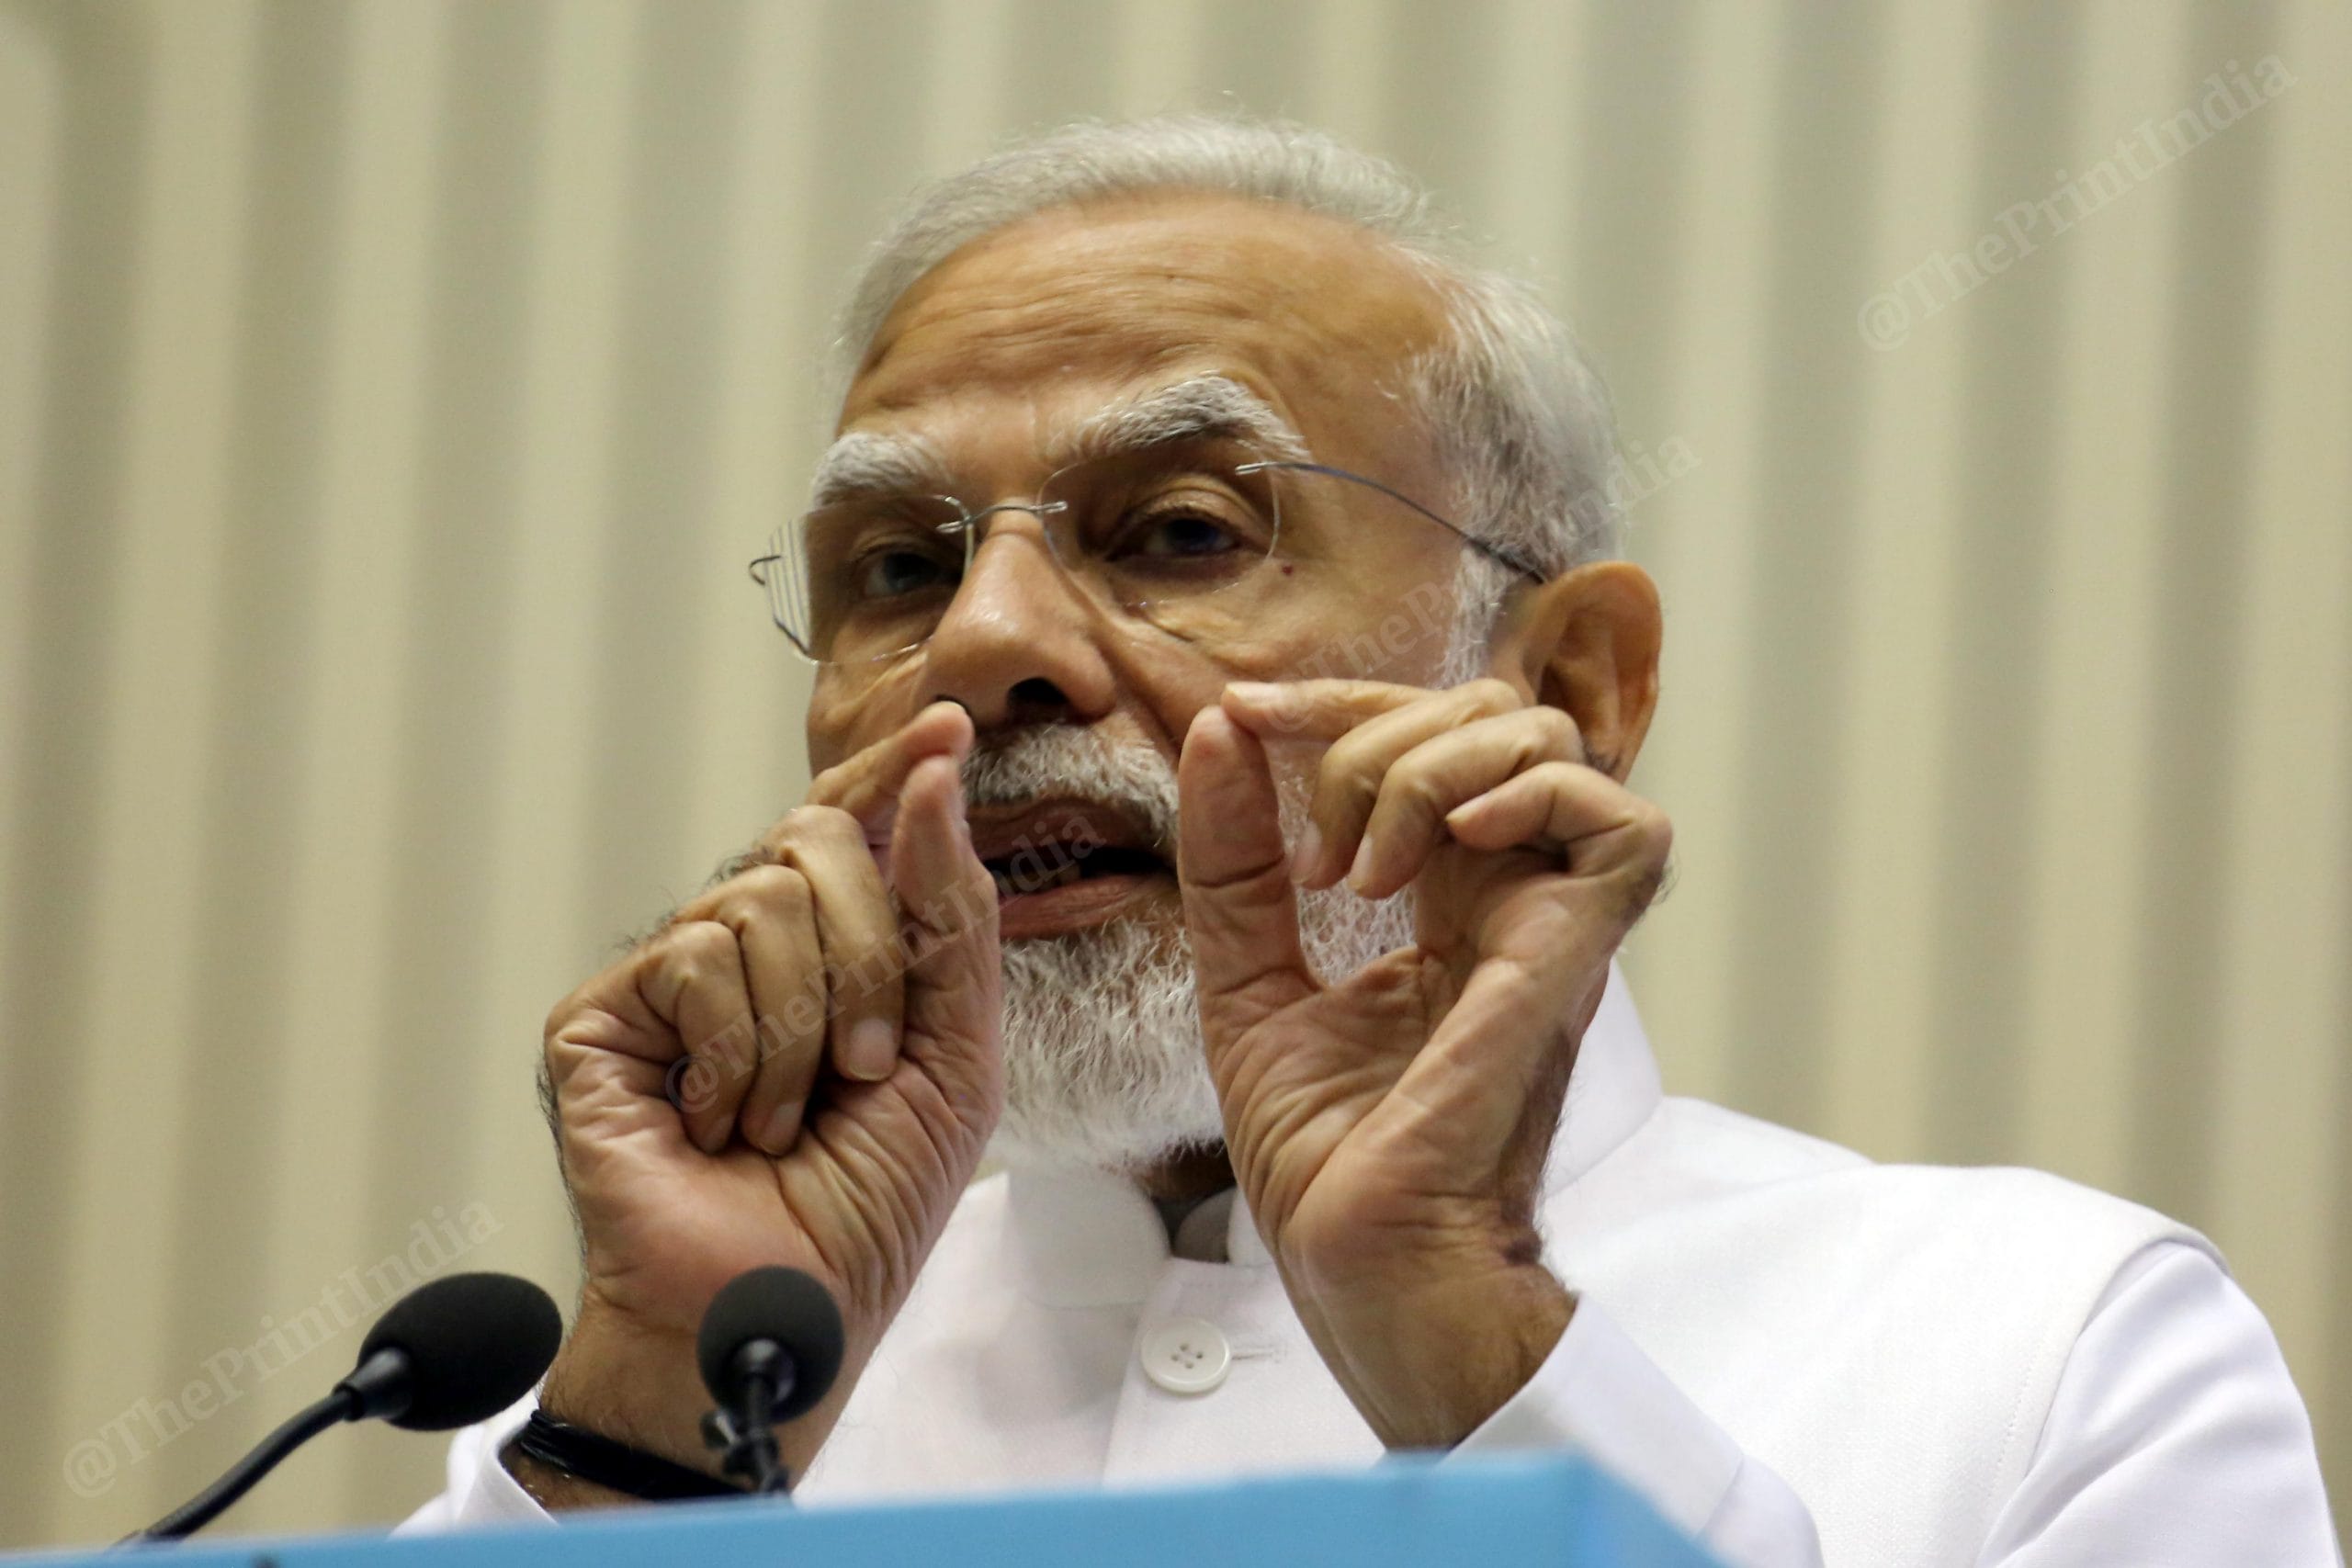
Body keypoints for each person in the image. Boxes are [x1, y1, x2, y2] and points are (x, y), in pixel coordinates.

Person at [404, 117, 2338, 1564]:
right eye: (901, 568)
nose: (986, 649)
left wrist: (1471, 1341)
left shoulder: (2044, 1344)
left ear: (1567, 680)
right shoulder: (660, 1421)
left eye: (1180, 533)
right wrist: (659, 1411)